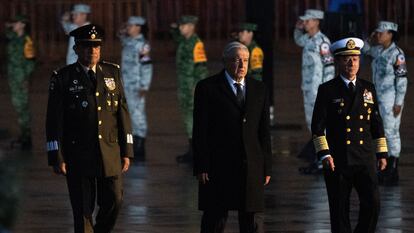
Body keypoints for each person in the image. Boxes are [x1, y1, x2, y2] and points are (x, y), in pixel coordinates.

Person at [46, 24, 133, 233]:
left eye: (96, 46)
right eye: (86, 46)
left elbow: (122, 113)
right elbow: (54, 121)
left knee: (115, 199)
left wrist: (127, 150)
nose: (92, 51)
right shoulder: (63, 78)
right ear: (76, 49)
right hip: (78, 153)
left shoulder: (112, 72)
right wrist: (56, 156)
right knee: (83, 210)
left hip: (110, 151)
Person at [193, 41, 272, 233]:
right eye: (237, 60)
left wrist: (266, 166)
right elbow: (200, 130)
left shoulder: (259, 89)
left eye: (246, 60)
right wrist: (202, 165)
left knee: (252, 219)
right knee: (215, 217)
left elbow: (264, 132)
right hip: (218, 165)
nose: (243, 65)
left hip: (251, 164)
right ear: (225, 61)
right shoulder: (207, 88)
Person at [312, 37, 388, 233]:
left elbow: (376, 124)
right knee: (339, 213)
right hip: (338, 160)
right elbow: (317, 127)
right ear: (338, 61)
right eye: (346, 58)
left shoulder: (368, 88)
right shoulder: (327, 90)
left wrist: (382, 154)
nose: (351, 63)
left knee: (373, 205)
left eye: (355, 58)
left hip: (364, 157)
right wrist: (325, 154)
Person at [362, 21, 408, 184]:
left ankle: (393, 168)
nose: (379, 35)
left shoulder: (397, 54)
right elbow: (365, 49)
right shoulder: (379, 51)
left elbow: (402, 81)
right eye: (378, 32)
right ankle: (384, 165)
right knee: (379, 131)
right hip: (377, 98)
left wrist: (398, 103)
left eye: (382, 33)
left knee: (391, 132)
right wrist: (370, 37)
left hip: (390, 100)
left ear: (391, 34)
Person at [294, 9, 335, 174]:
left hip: (319, 90)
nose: (305, 23)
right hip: (309, 89)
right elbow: (298, 40)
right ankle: (318, 157)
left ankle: (322, 160)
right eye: (304, 21)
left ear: (317, 22)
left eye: (308, 21)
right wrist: (297, 28)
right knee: (313, 124)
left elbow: (330, 68)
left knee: (320, 126)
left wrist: (327, 91)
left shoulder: (323, 42)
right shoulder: (308, 39)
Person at [170, 15, 209, 163]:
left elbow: (201, 68)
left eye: (184, 25)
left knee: (195, 118)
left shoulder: (196, 44)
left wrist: (198, 86)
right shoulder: (183, 41)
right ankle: (193, 150)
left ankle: (199, 151)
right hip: (184, 86)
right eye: (180, 26)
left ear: (192, 26)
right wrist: (173, 28)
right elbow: (175, 36)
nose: (181, 28)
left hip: (192, 87)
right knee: (188, 119)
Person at [119, 16, 153, 161]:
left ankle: (140, 148)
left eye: (131, 26)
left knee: (138, 115)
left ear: (138, 27)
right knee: (128, 115)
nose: (128, 28)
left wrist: (145, 85)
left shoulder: (142, 45)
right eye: (128, 26)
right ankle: (131, 147)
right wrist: (122, 31)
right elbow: (121, 36)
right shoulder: (129, 42)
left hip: (137, 85)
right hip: (126, 84)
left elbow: (147, 66)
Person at [5, 15, 35, 149]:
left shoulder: (26, 40)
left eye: (16, 23)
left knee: (22, 107)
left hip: (21, 77)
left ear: (23, 24)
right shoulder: (14, 37)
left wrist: (26, 78)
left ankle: (26, 137)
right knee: (18, 106)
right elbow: (7, 33)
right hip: (13, 77)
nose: (14, 25)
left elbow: (31, 62)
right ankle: (23, 135)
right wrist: (10, 26)